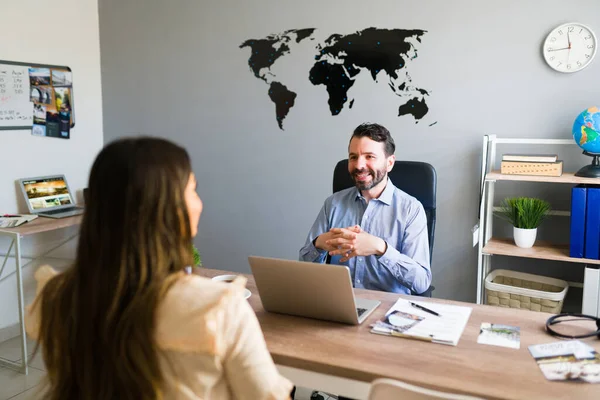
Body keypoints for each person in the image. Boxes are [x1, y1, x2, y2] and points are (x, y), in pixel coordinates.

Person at [25, 137, 293, 400]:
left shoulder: (53, 296)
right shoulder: (218, 309)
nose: (200, 203)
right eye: (193, 190)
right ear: (168, 210)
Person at [299, 123, 431, 295]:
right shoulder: (333, 204)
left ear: (389, 163)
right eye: (353, 157)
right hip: (338, 303)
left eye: (369, 156)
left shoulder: (411, 210)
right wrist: (319, 243)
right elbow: (303, 267)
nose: (359, 165)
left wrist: (381, 248)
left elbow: (421, 282)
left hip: (387, 311)